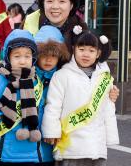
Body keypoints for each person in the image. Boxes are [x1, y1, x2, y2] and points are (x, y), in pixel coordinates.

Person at [23, 0, 120, 99]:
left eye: (62, 1)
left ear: (71, 5)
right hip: (33, 95)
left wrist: (110, 89)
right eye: (50, 0)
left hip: (67, 99)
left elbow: (94, 65)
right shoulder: (30, 22)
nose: (55, 6)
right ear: (42, 3)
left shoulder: (81, 31)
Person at [0, 29, 54, 166]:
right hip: (5, 152)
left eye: (27, 56)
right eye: (17, 56)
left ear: (33, 58)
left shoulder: (37, 80)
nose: (22, 61)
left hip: (33, 150)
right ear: (8, 57)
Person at [42, 29, 119, 166]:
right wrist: (51, 132)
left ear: (98, 53)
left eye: (91, 50)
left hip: (97, 146)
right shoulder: (62, 75)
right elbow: (53, 106)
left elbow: (108, 109)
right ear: (73, 49)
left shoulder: (105, 78)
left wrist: (111, 136)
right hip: (70, 146)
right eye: (81, 49)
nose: (86, 54)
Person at [34, 25, 71, 165]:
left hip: (52, 140)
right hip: (28, 140)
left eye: (53, 55)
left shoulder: (63, 78)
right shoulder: (26, 77)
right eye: (43, 55)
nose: (48, 60)